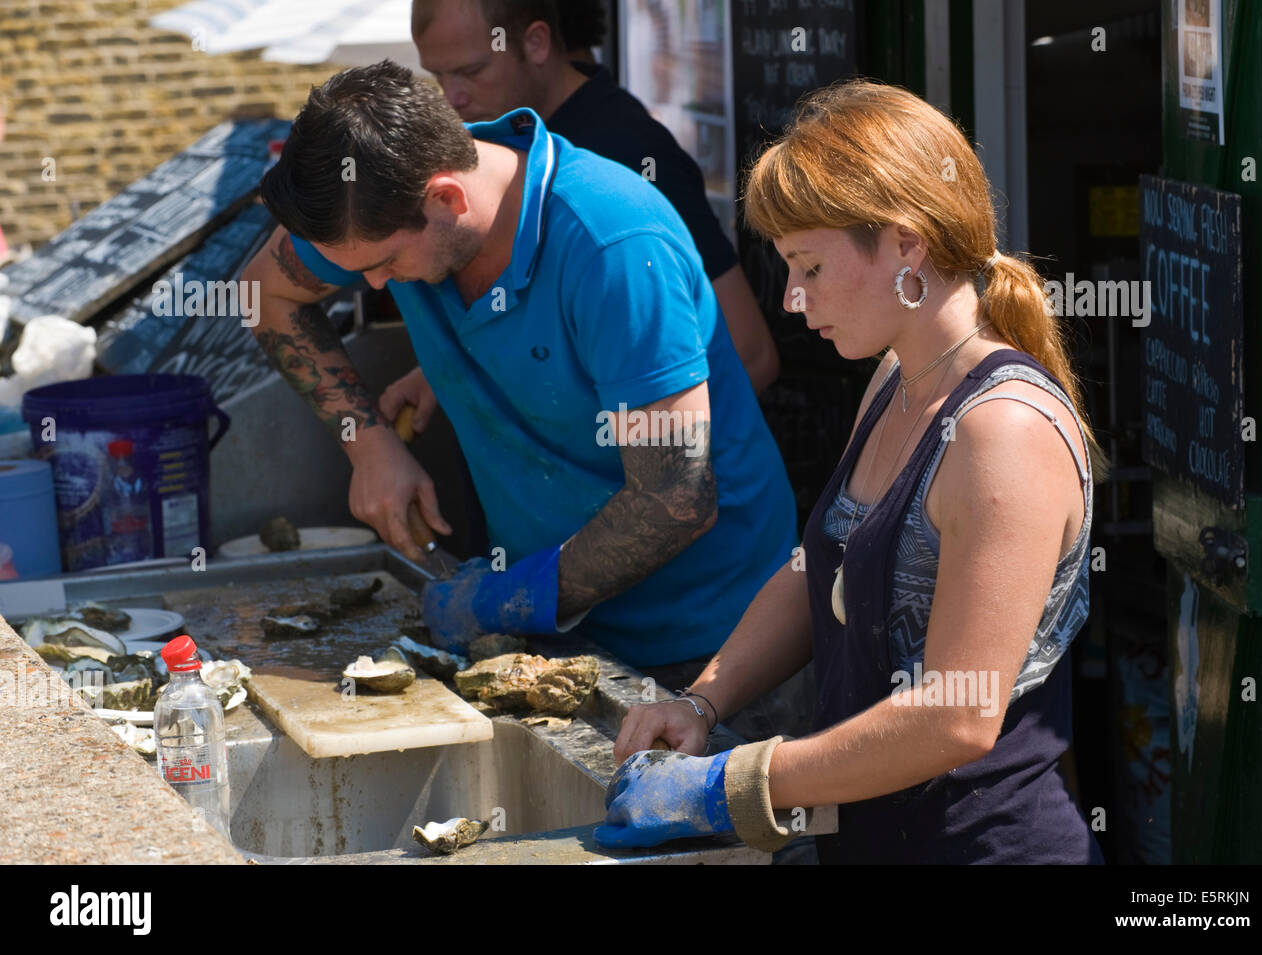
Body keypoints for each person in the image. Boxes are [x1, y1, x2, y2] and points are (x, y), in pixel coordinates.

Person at [595, 79, 1109, 864]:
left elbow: (956, 715)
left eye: (809, 266)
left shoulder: (1002, 430)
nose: (794, 301)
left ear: (908, 244)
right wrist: (703, 699)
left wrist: (734, 780)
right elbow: (817, 569)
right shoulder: (895, 377)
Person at [241, 61, 795, 679]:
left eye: (387, 262)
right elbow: (263, 293)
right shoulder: (374, 198)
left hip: (716, 643)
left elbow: (674, 499)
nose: (371, 283)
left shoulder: (614, 244)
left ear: (446, 198)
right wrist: (369, 445)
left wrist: (497, 600)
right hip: (550, 622)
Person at [405, 0, 779, 394]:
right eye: (436, 76)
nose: (452, 98)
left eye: (471, 71)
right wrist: (446, 373)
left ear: (536, 43)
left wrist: (631, 440)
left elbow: (749, 352)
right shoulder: (501, 138)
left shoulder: (628, 150)